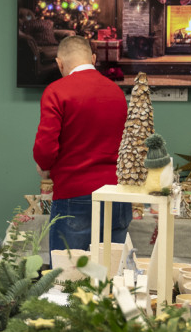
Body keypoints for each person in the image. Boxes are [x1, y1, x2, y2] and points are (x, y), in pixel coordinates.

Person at [33, 35, 131, 253]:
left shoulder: (57, 91)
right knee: (111, 277)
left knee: (69, 278)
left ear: (59, 63)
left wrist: (44, 166)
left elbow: (45, 149)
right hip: (117, 195)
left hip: (74, 196)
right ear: (93, 58)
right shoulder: (117, 93)